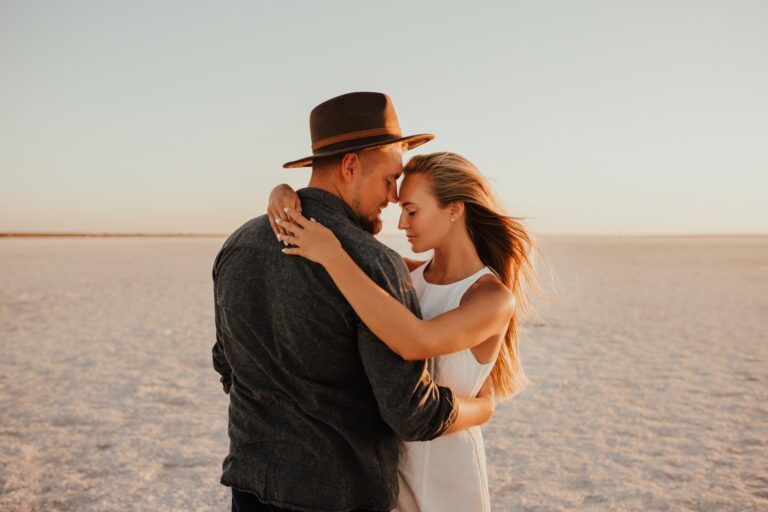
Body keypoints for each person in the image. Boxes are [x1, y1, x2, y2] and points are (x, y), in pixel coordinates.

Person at [212, 92, 495, 512]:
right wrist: (483, 407)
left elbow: (227, 365)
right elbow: (410, 414)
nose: (394, 197)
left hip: (250, 487)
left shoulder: (237, 245)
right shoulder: (374, 263)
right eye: (388, 180)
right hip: (340, 496)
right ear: (350, 167)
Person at [267, 151, 542, 511]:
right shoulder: (406, 275)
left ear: (454, 209)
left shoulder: (490, 297)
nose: (401, 224)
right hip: (389, 470)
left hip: (447, 476)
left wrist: (332, 256)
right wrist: (282, 192)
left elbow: (417, 341)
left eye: (412, 211)